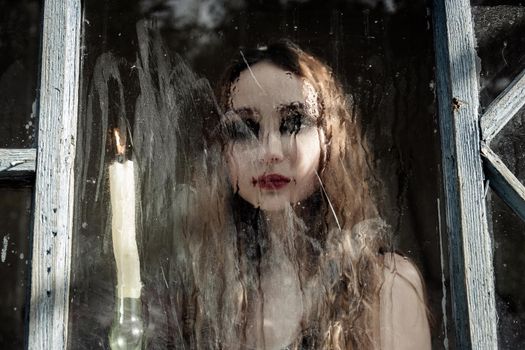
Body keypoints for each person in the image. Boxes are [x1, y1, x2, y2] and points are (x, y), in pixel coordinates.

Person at [147, 39, 431, 350]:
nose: (269, 151)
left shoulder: (386, 285)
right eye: (246, 128)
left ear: (330, 141)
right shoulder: (203, 296)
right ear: (222, 150)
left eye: (293, 123)